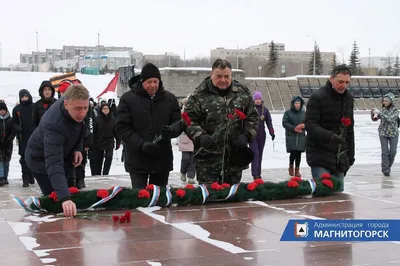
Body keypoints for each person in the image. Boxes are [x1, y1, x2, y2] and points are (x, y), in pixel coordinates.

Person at [184, 59, 258, 184]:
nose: (223, 80)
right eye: (218, 76)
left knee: (233, 198)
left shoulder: (242, 92)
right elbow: (187, 120)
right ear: (211, 74)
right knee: (210, 199)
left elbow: (253, 117)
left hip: (234, 159)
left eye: (226, 76)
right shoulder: (199, 95)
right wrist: (200, 136)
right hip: (208, 161)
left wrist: (246, 134)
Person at [25, 84, 90, 217]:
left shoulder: (79, 105)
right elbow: (54, 164)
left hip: (64, 152)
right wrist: (65, 198)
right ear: (66, 104)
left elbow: (81, 128)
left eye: (86, 108)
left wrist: (78, 149)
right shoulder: (53, 124)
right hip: (40, 159)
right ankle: (47, 234)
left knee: (66, 191)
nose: (83, 113)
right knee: (55, 200)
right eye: (78, 108)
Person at [115, 63, 181, 188]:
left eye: (155, 81)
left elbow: (178, 122)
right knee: (140, 198)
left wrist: (172, 130)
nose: (153, 85)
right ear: (142, 81)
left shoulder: (169, 99)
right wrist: (141, 144)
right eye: (149, 82)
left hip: (161, 158)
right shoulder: (128, 99)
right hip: (137, 158)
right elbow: (122, 128)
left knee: (159, 197)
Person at [304, 65, 355, 192]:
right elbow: (310, 124)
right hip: (319, 154)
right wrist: (329, 136)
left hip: (340, 158)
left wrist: (351, 155)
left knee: (338, 198)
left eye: (347, 82)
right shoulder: (317, 98)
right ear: (331, 79)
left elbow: (350, 129)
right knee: (324, 195)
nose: (343, 85)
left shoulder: (348, 99)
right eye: (340, 81)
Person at [371, 93, 399, 176]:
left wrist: (380, 113)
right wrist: (373, 113)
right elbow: (374, 119)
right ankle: (385, 169)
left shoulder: (395, 111)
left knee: (393, 152)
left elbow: (390, 119)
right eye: (383, 101)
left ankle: (388, 166)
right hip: (383, 133)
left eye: (386, 101)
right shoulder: (382, 110)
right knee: (385, 152)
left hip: (393, 133)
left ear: (391, 102)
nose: (384, 102)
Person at [12, 89, 36, 187]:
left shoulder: (34, 107)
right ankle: (25, 179)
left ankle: (32, 176)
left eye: (26, 96)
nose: (24, 98)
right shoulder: (17, 109)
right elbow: (14, 122)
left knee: (33, 157)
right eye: (22, 97)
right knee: (24, 158)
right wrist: (17, 128)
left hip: (33, 137)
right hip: (22, 138)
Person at [249, 91, 274, 180]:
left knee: (260, 154)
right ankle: (255, 174)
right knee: (255, 153)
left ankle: (258, 173)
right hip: (252, 135)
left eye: (259, 99)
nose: (258, 101)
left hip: (261, 135)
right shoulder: (250, 109)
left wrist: (272, 132)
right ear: (253, 100)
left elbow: (269, 122)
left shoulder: (265, 110)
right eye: (256, 99)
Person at [91, 103, 120, 175]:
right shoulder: (97, 119)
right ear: (101, 110)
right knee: (99, 159)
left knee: (109, 157)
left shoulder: (113, 119)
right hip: (99, 141)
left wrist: (118, 142)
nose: (106, 110)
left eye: (107, 109)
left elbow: (116, 132)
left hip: (109, 141)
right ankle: (97, 173)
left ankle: (105, 173)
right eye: (104, 109)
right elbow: (94, 132)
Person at [282, 96, 306, 177]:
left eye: (298, 103)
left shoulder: (304, 113)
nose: (297, 105)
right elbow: (284, 123)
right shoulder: (288, 113)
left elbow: (309, 122)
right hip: (291, 135)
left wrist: (304, 125)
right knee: (293, 152)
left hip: (300, 136)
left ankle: (297, 170)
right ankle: (291, 167)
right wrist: (293, 128)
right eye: (296, 103)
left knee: (299, 153)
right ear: (293, 104)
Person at [178, 98, 196, 184]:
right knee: (185, 158)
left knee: (193, 159)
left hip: (195, 138)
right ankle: (183, 172)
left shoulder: (197, 111)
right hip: (185, 138)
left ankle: (191, 177)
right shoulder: (182, 112)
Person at [0, 102, 15, 186]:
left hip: (8, 144)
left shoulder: (10, 119)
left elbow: (13, 132)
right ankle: (1, 177)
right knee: (0, 161)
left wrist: (9, 140)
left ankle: (5, 177)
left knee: (6, 161)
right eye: (0, 110)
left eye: (3, 110)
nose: (2, 112)